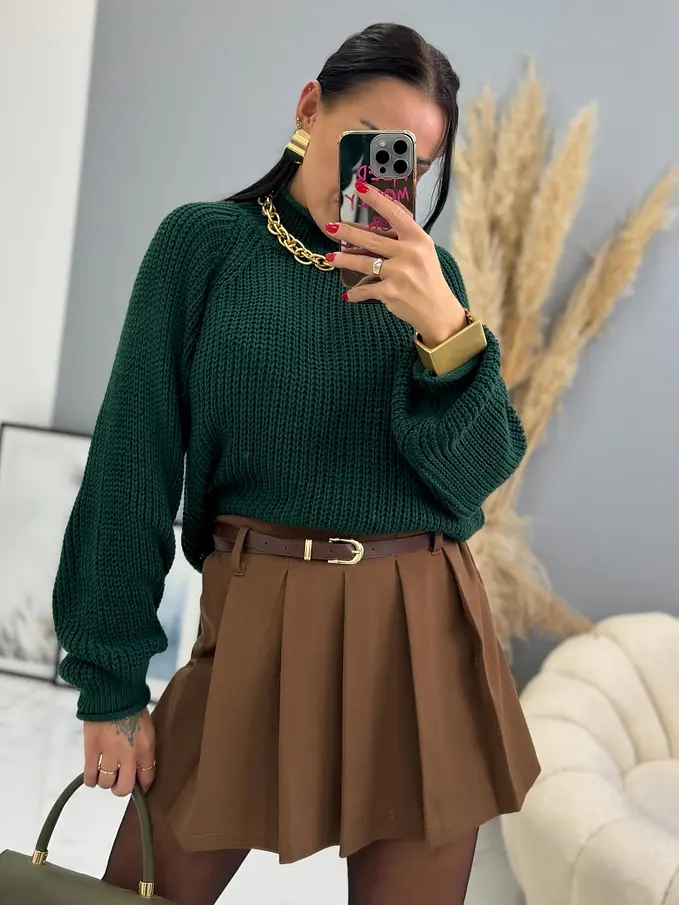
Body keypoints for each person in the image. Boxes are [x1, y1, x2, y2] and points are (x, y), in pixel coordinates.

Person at [52, 22, 540, 905]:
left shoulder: (431, 280)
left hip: (418, 627)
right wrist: (109, 682)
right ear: (310, 107)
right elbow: (131, 462)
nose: (383, 179)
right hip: (256, 616)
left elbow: (473, 477)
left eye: (412, 162)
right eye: (371, 142)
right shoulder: (203, 246)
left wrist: (445, 330)